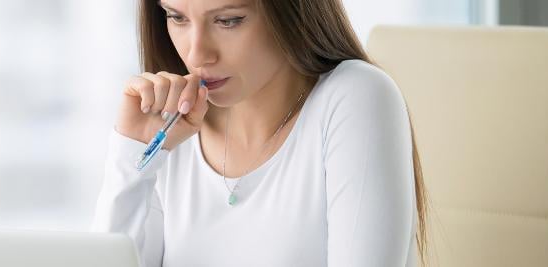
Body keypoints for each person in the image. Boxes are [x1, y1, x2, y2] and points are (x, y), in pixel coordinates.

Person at [91, 0, 427, 266]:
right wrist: (135, 155)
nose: (196, 54)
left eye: (228, 20)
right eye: (177, 17)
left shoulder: (357, 97)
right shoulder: (173, 130)